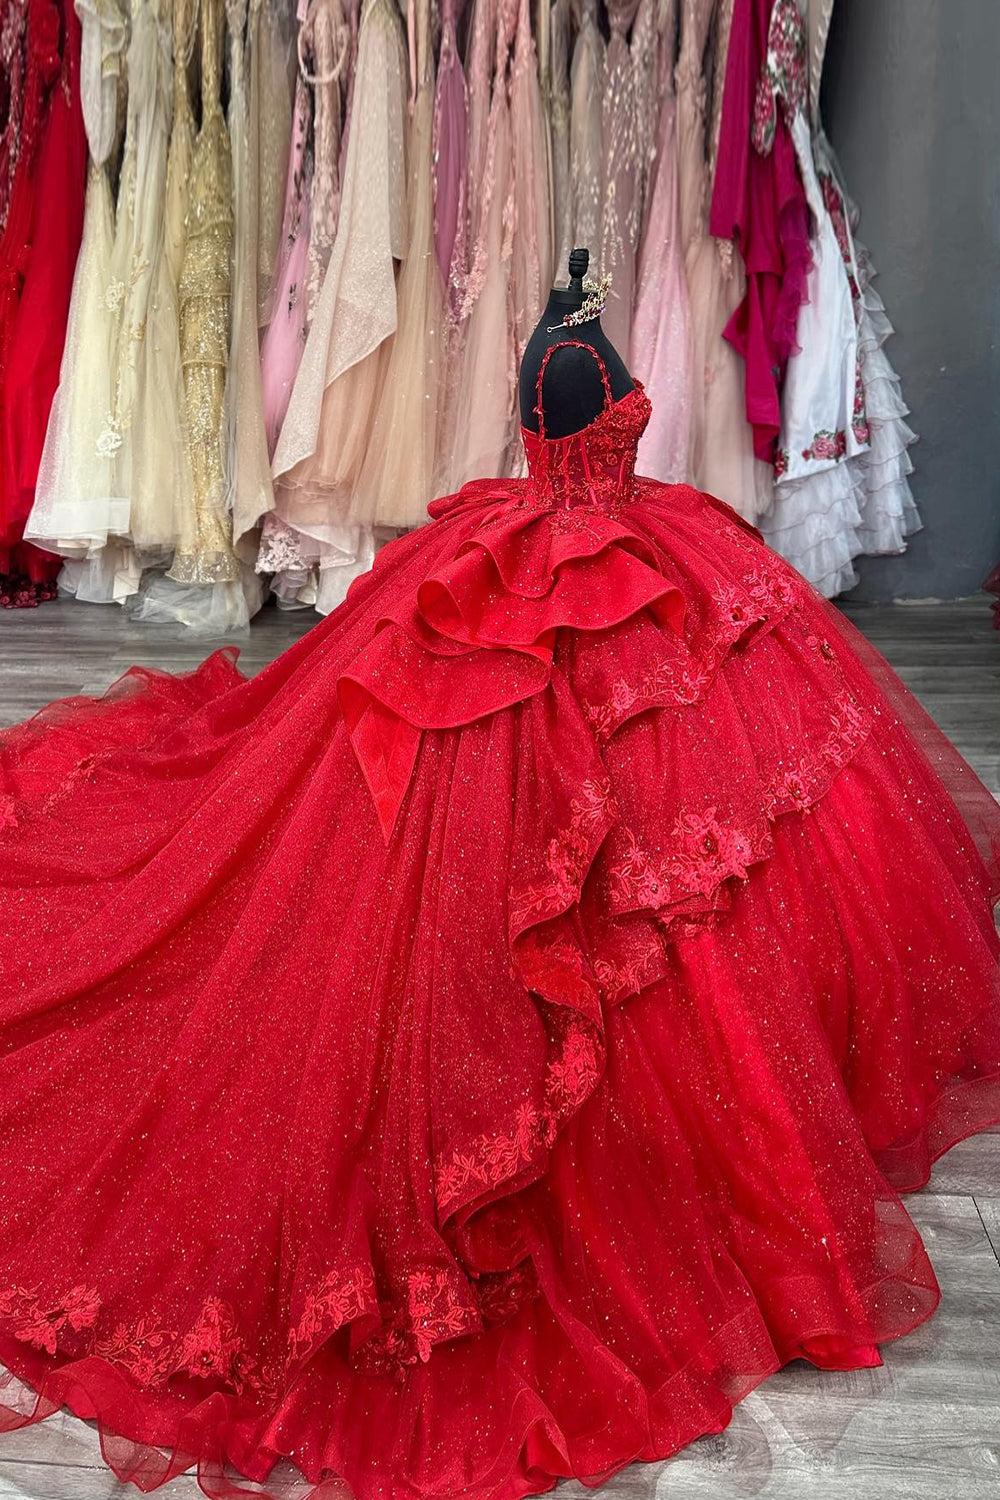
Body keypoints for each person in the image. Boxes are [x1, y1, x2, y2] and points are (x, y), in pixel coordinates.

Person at [0, 281, 997, 1500]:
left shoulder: (571, 345)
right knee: (532, 846)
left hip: (627, 548)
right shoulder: (566, 359)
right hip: (566, 557)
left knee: (701, 845)